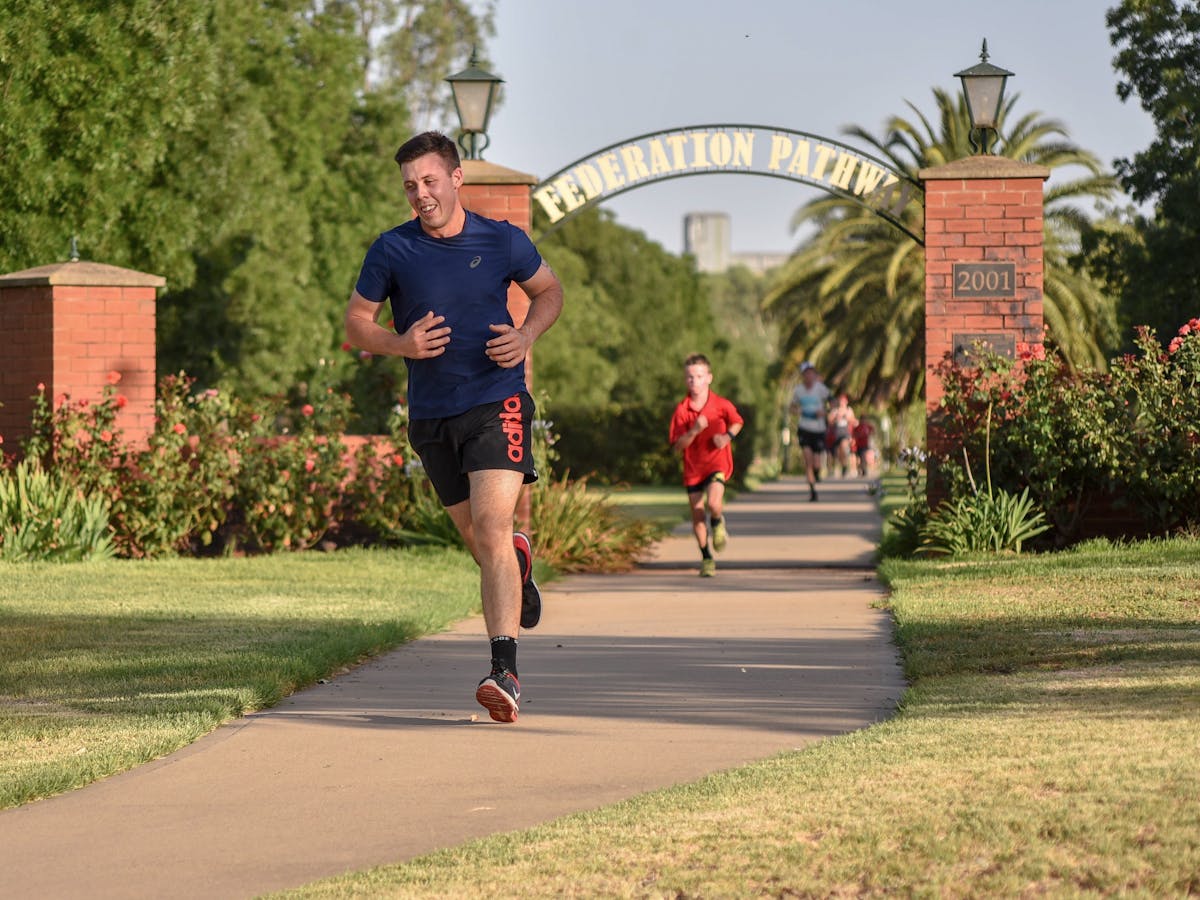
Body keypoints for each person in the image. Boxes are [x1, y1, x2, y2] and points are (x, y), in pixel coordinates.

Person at [344, 131, 564, 724]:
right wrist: (401, 342)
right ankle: (517, 566)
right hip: (432, 416)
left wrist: (526, 335)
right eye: (410, 186)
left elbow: (549, 291)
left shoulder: (502, 239)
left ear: (457, 177)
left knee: (492, 528)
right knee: (481, 543)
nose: (420, 194)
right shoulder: (391, 250)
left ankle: (505, 673)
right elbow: (354, 325)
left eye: (430, 181)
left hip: (498, 401)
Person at [668, 354, 744, 577]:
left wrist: (727, 437)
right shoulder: (682, 411)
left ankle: (718, 522)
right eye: (690, 377)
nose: (695, 381)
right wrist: (694, 430)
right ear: (685, 380)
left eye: (699, 376)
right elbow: (676, 446)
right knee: (697, 515)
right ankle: (706, 557)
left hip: (716, 463)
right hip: (693, 468)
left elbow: (738, 421)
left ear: (709, 378)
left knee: (713, 502)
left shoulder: (720, 404)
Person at [789, 362, 830, 501]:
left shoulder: (821, 389)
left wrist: (824, 412)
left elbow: (833, 402)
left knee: (817, 463)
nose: (809, 375)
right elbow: (792, 407)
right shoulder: (798, 391)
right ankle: (813, 491)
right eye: (806, 373)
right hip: (804, 428)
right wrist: (798, 411)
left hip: (818, 429)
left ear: (814, 374)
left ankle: (817, 473)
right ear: (803, 375)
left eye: (811, 372)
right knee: (808, 461)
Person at [827, 393, 859, 477]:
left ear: (846, 402)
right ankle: (843, 466)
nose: (842, 403)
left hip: (845, 432)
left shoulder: (849, 410)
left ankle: (845, 468)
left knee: (843, 446)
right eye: (840, 401)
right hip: (837, 432)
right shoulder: (835, 410)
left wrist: (847, 417)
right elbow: (829, 421)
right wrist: (836, 417)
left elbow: (854, 421)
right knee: (838, 452)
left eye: (843, 401)